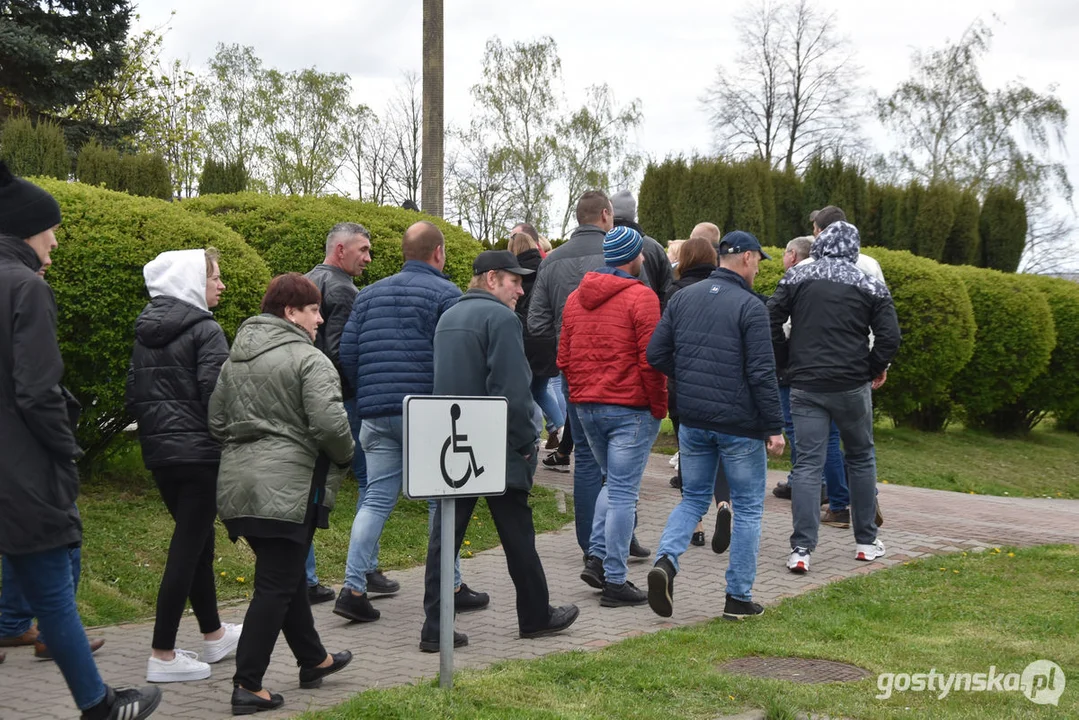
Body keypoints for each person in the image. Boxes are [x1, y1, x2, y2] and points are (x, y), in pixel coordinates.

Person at [0, 161, 161, 719]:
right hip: (23, 473)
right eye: (51, 229)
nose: (56, 241)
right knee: (54, 598)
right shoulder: (27, 289)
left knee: (31, 598)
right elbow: (38, 391)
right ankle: (100, 705)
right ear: (26, 228)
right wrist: (65, 453)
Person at [210, 273, 355, 714]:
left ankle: (314, 659)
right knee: (275, 584)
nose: (321, 318)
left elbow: (216, 422)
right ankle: (247, 683)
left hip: (240, 488)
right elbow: (330, 426)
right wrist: (347, 455)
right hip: (290, 488)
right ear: (291, 313)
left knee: (285, 576)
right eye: (313, 310)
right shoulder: (310, 360)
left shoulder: (234, 360)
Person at [420, 250, 579, 650]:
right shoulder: (502, 319)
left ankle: (435, 627)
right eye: (515, 281)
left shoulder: (449, 317)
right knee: (517, 533)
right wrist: (529, 440)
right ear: (492, 278)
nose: (521, 290)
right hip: (496, 442)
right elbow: (512, 389)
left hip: (453, 440)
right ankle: (535, 616)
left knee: (446, 536)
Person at [336, 222, 488, 623]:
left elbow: (346, 353)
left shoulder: (367, 295)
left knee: (376, 498)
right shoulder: (446, 293)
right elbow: (456, 355)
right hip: (426, 412)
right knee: (443, 500)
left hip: (375, 411)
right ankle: (448, 585)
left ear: (404, 253)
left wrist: (368, 393)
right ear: (438, 253)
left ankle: (353, 587)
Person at [646, 231, 786, 621]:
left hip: (692, 419)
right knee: (748, 509)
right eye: (758, 259)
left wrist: (689, 377)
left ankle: (666, 562)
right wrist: (775, 426)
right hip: (740, 424)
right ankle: (737, 597)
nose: (759, 267)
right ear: (744, 258)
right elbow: (761, 372)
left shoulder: (682, 297)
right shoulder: (751, 307)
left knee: (693, 499)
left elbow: (657, 353)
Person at [126, 248, 240, 682]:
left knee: (198, 545)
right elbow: (218, 397)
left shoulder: (145, 331)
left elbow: (133, 394)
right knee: (187, 549)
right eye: (214, 276)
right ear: (193, 281)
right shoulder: (206, 329)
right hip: (200, 454)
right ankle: (163, 654)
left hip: (161, 455)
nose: (221, 284)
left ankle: (213, 636)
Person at [768, 220, 901, 575]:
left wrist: (786, 360)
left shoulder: (796, 278)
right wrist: (871, 367)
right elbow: (890, 335)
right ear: (854, 250)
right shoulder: (868, 282)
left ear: (820, 245)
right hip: (851, 384)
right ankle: (866, 542)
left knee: (808, 464)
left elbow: (771, 319)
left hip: (806, 384)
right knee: (860, 457)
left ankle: (801, 550)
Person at [527, 191, 651, 560]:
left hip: (575, 373)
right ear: (607, 215)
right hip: (623, 374)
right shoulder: (626, 255)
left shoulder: (552, 262)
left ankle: (590, 544)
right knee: (621, 466)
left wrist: (570, 343)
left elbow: (535, 323)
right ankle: (618, 540)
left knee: (586, 458)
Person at [559, 228, 667, 608]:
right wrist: (659, 405)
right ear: (635, 256)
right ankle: (616, 580)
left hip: (587, 405)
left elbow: (564, 358)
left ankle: (598, 556)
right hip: (629, 408)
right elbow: (651, 361)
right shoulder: (643, 297)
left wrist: (579, 397)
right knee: (623, 491)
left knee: (612, 484)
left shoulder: (576, 298)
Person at [304, 223, 384, 603]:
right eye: (363, 250)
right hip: (342, 400)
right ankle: (366, 569)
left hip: (304, 396)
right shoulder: (343, 290)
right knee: (374, 482)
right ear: (340, 250)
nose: (368, 258)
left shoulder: (306, 282)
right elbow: (340, 353)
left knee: (303, 487)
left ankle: (305, 579)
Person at [769, 236, 851, 523]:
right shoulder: (851, 275)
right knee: (834, 437)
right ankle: (845, 494)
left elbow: (779, 322)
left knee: (804, 438)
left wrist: (782, 355)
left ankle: (824, 496)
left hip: (799, 371)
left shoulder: (798, 278)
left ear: (792, 255)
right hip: (839, 372)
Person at [662, 238, 731, 552]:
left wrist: (673, 374)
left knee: (689, 454)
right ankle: (723, 505)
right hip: (722, 387)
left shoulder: (676, 294)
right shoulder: (729, 292)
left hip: (684, 388)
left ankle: (697, 524)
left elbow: (662, 344)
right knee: (721, 453)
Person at [509, 231, 563, 450]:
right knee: (540, 390)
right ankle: (560, 427)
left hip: (525, 337)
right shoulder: (546, 268)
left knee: (525, 391)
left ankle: (530, 438)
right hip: (547, 338)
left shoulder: (514, 273)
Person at [610, 190, 673, 303]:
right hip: (650, 312)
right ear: (633, 213)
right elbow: (667, 290)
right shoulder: (655, 247)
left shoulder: (604, 243)